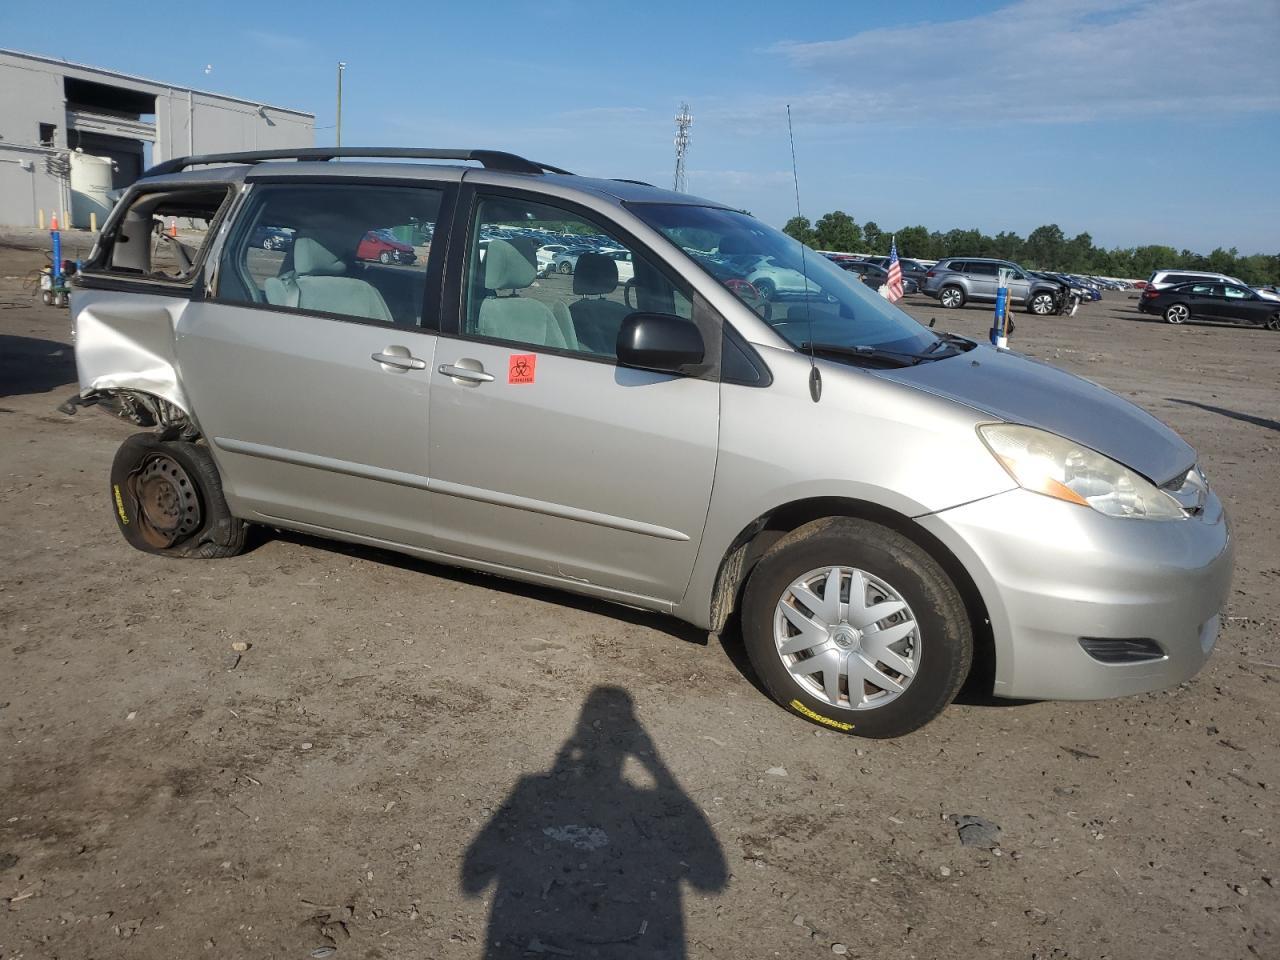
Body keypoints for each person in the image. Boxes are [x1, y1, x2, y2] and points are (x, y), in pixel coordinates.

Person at [462, 686, 727, 958]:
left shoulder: (530, 787)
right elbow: (712, 880)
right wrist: (658, 769)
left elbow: (471, 879)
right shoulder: (535, 788)